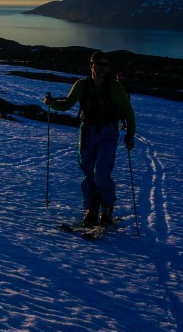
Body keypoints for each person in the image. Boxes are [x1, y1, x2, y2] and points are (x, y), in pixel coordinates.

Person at [44, 50, 135, 227]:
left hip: (108, 133)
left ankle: (107, 209)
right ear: (91, 65)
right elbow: (67, 104)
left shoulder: (115, 87)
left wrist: (130, 134)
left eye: (106, 65)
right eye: (99, 64)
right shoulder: (81, 85)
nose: (103, 68)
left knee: (101, 172)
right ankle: (92, 208)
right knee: (88, 172)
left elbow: (128, 111)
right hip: (87, 133)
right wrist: (51, 103)